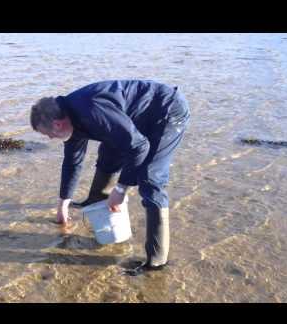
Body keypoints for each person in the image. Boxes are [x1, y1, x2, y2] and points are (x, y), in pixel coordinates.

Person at [30, 80, 190, 276]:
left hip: (166, 111)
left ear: (57, 124)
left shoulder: (92, 110)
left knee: (150, 179)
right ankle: (98, 206)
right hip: (131, 117)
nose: (50, 139)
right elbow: (72, 162)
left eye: (48, 135)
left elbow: (139, 146)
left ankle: (156, 262)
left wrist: (121, 189)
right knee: (109, 156)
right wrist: (63, 204)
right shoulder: (67, 116)